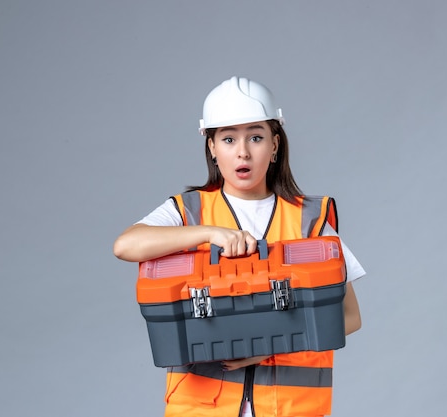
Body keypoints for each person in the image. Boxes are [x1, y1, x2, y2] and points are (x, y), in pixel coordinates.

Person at [113, 76, 366, 417]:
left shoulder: (310, 220)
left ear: (275, 145)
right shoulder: (188, 211)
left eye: (256, 137)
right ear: (212, 148)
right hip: (202, 409)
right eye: (229, 138)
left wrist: (267, 348)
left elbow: (350, 316)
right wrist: (207, 234)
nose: (243, 151)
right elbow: (126, 245)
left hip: (288, 409)